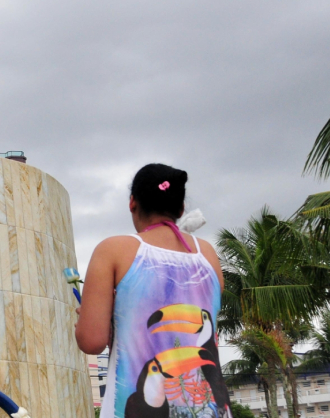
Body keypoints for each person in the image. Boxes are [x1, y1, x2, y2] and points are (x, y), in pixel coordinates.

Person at [76, 164, 230, 418]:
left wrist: (93, 317)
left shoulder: (113, 250)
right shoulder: (208, 255)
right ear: (180, 209)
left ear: (132, 203)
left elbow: (91, 342)